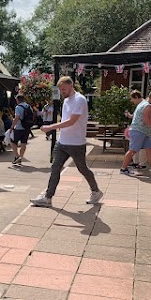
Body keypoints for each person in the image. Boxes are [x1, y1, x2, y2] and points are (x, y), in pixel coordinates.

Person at [30, 76, 103, 207]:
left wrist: (50, 127)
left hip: (76, 143)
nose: (62, 91)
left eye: (64, 89)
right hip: (62, 142)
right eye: (60, 89)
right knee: (55, 168)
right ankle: (47, 198)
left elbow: (71, 121)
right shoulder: (67, 100)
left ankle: (96, 191)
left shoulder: (79, 100)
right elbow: (65, 120)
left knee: (82, 168)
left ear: (71, 86)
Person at [120, 91, 151, 175]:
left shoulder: (141, 104)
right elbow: (146, 120)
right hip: (139, 131)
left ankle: (124, 168)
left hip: (143, 131)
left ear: (137, 97)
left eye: (132, 99)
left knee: (149, 150)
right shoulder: (146, 106)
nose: (132, 101)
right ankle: (123, 169)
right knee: (133, 150)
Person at [9, 94, 32, 165]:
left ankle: (17, 156)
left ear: (18, 100)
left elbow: (17, 118)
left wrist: (12, 127)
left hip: (19, 127)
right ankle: (21, 158)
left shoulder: (18, 107)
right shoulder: (29, 106)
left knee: (12, 142)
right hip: (27, 127)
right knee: (23, 143)